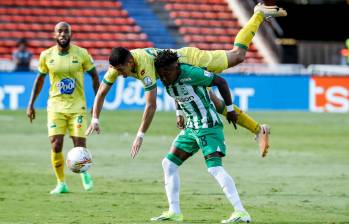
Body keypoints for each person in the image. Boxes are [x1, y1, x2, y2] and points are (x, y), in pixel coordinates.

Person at [86, 3, 287, 158]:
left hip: (188, 60)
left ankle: (258, 13)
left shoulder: (144, 65)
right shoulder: (117, 66)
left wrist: (139, 135)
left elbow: (151, 105)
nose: (121, 75)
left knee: (237, 56)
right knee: (216, 104)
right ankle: (259, 130)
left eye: (122, 70)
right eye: (117, 71)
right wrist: (95, 118)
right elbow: (102, 92)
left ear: (129, 61)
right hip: (177, 73)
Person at [150, 50, 255, 223]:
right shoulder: (166, 77)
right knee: (168, 164)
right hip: (191, 127)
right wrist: (178, 113)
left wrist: (229, 110)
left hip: (208, 126)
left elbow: (221, 81)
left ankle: (241, 212)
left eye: (167, 73)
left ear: (176, 66)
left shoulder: (191, 73)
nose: (164, 77)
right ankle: (174, 212)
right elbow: (176, 93)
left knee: (214, 168)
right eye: (161, 74)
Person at [26, 22, 100, 194]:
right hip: (55, 107)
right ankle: (61, 183)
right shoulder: (46, 55)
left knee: (79, 144)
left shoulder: (81, 54)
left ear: (71, 34)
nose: (63, 33)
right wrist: (31, 103)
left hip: (77, 107)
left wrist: (97, 102)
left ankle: (84, 174)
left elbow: (95, 76)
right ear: (54, 34)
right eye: (60, 31)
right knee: (56, 144)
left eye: (66, 31)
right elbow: (40, 79)